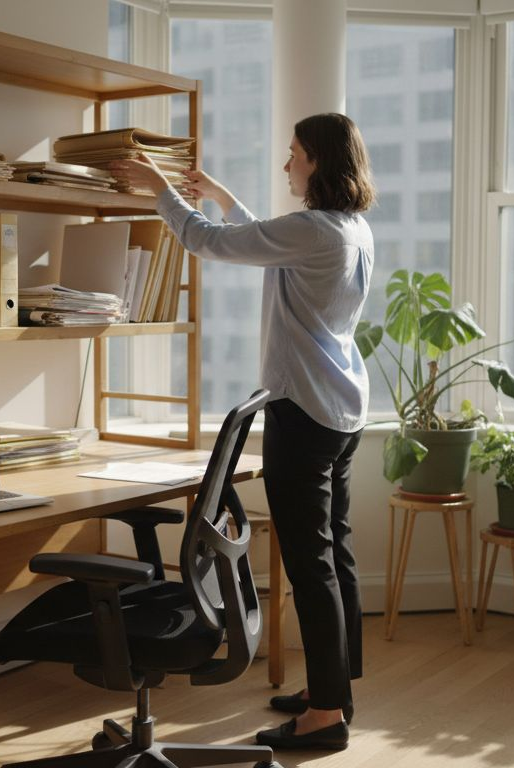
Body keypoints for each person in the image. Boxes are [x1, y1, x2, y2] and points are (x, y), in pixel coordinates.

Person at [112, 112, 375, 752]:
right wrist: (223, 195)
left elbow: (211, 242)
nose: (287, 164)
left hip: (303, 412)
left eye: (294, 153)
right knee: (334, 557)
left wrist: (160, 190)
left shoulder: (313, 230)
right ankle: (334, 691)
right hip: (342, 411)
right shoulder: (350, 229)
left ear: (317, 160)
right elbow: (266, 238)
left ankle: (325, 718)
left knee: (311, 566)